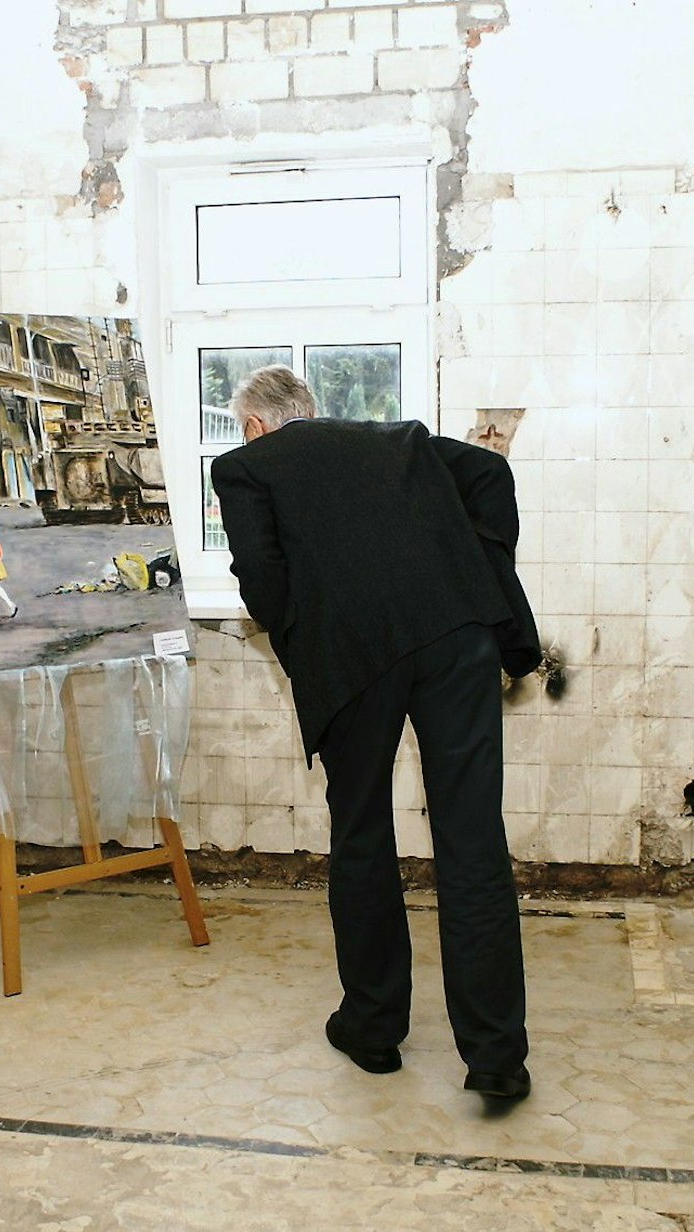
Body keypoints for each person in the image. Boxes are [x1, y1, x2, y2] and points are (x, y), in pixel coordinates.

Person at [211, 366, 541, 1104]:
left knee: (362, 836)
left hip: (352, 659)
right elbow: (487, 471)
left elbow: (259, 577)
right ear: (311, 410)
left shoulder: (245, 467)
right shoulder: (399, 439)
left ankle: (372, 1027)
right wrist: (480, 566)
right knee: (471, 840)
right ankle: (495, 1057)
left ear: (257, 424)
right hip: (457, 638)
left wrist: (307, 640)